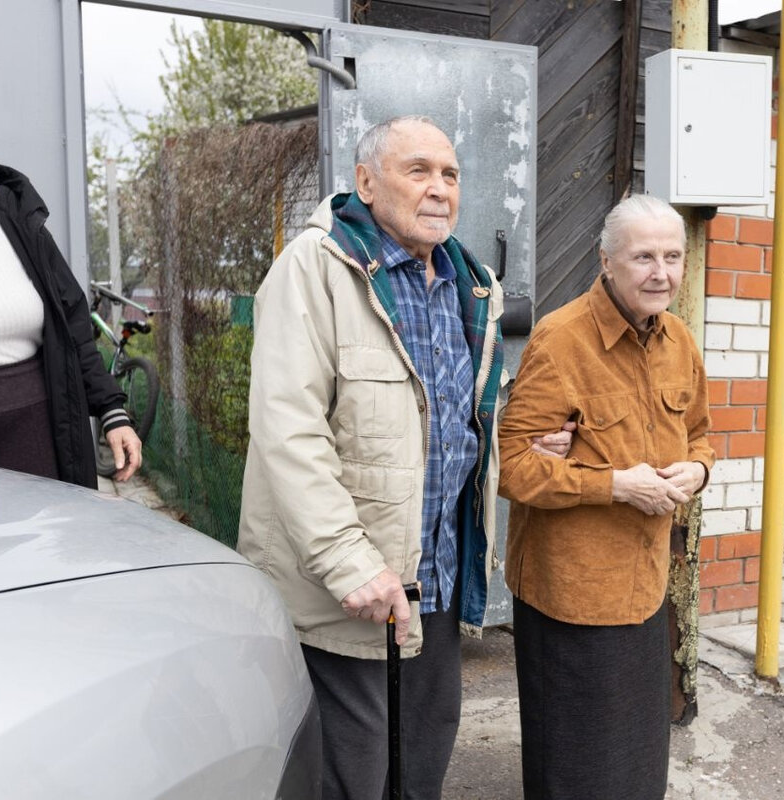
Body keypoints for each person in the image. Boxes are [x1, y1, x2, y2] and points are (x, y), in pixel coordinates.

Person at [237, 115, 570, 800]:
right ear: (365, 181)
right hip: (347, 586)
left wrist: (520, 441)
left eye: (450, 174)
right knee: (352, 777)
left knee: (421, 768)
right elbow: (287, 429)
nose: (440, 189)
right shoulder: (316, 268)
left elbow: (453, 416)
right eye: (418, 170)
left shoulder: (469, 282)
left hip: (434, 583)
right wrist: (348, 562)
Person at [497, 193, 715, 800]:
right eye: (643, 256)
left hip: (644, 589)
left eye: (673, 256)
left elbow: (701, 436)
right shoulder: (561, 341)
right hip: (570, 593)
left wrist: (696, 472)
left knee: (639, 760)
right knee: (578, 765)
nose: (661, 272)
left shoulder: (679, 342)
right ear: (606, 261)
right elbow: (512, 468)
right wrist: (616, 485)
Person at [0, 141, 142, 486]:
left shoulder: (10, 207)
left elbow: (72, 319)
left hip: (34, 434)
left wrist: (112, 410)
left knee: (46, 539)